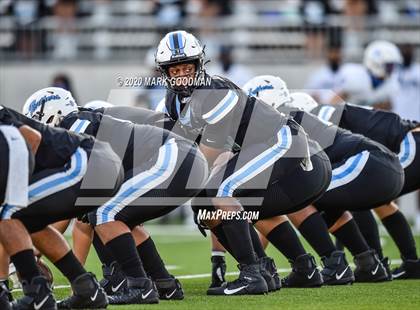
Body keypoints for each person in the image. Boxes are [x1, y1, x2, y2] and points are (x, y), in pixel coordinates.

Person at [154, 30, 336, 295]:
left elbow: (207, 155)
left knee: (218, 190)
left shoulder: (213, 91)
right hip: (265, 151)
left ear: (199, 65)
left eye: (187, 67)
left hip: (285, 143)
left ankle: (252, 274)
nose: (182, 74)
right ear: (164, 72)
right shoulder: (171, 104)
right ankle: (290, 267)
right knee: (210, 202)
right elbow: (180, 151)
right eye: (175, 69)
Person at [23, 87, 208, 305]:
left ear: (50, 113)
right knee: (113, 215)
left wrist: (35, 250)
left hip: (174, 156)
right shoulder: (84, 123)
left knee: (104, 213)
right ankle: (163, 283)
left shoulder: (75, 124)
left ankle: (140, 286)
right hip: (182, 159)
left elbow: (66, 202)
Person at [0, 102, 122, 309]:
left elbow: (31, 137)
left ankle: (37, 294)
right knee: (28, 222)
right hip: (98, 161)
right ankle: (87, 290)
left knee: (10, 214)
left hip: (88, 159)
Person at [307, 97, 420, 280]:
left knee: (364, 193)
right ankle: (408, 263)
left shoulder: (320, 112)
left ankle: (376, 263)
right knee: (375, 199)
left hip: (412, 140)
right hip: (403, 144)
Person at [330, 40, 402, 110]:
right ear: (375, 63)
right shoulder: (355, 77)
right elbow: (332, 104)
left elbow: (389, 111)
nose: (392, 69)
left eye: (393, 66)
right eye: (389, 66)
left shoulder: (391, 84)